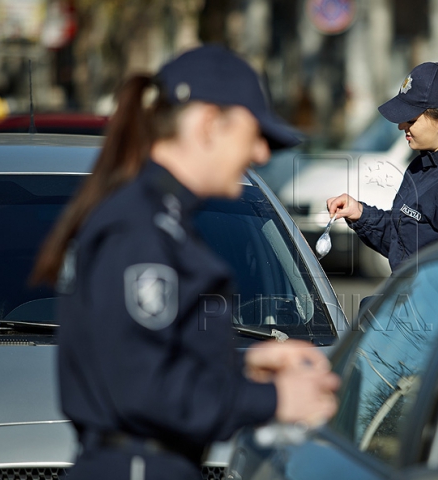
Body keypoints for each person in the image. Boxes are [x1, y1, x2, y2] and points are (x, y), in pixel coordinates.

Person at [30, 45, 339, 480]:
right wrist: (273, 400)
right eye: (253, 135)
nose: (261, 155)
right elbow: (141, 389)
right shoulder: (142, 226)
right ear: (209, 124)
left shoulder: (161, 218)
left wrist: (242, 368)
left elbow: (146, 356)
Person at [326, 62, 438, 272]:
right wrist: (360, 214)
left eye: (410, 119)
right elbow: (405, 244)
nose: (401, 126)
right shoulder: (423, 164)